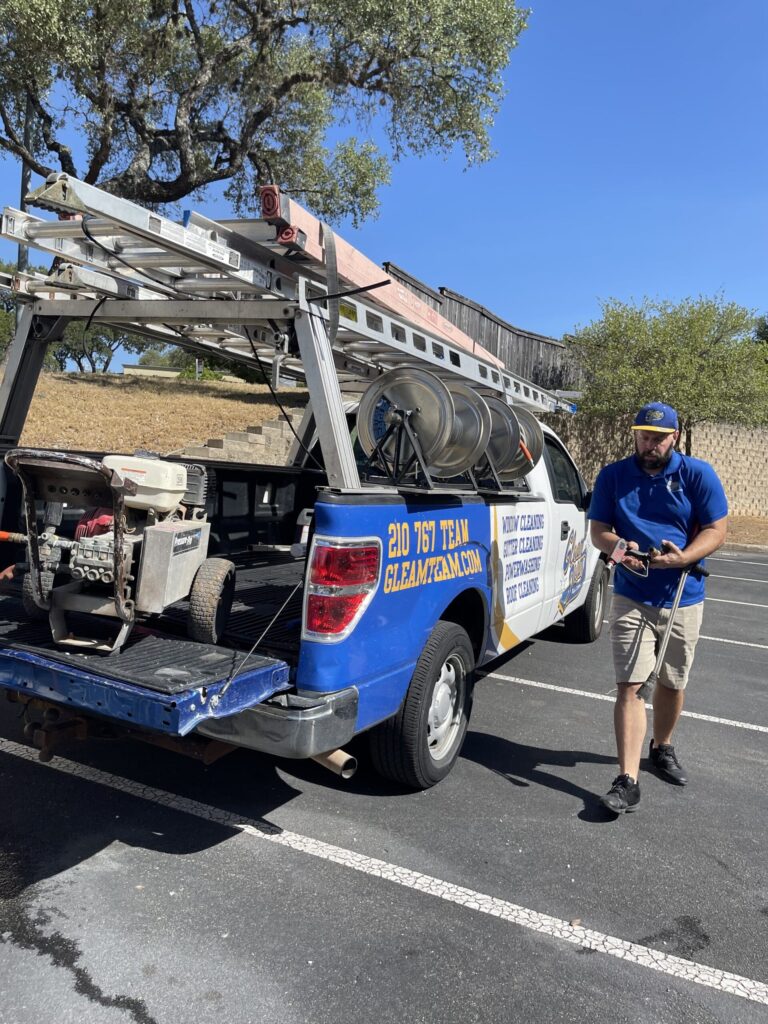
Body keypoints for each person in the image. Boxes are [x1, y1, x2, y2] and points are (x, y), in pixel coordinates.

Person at [588, 401, 728, 815]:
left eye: (658, 438)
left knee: (672, 680)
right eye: (643, 436)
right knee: (629, 685)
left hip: (683, 595)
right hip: (632, 594)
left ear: (675, 437)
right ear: (634, 434)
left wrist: (684, 556)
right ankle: (627, 780)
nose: (650, 445)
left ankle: (662, 747)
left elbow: (718, 529)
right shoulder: (614, 476)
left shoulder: (696, 475)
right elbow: (598, 530)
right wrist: (618, 548)